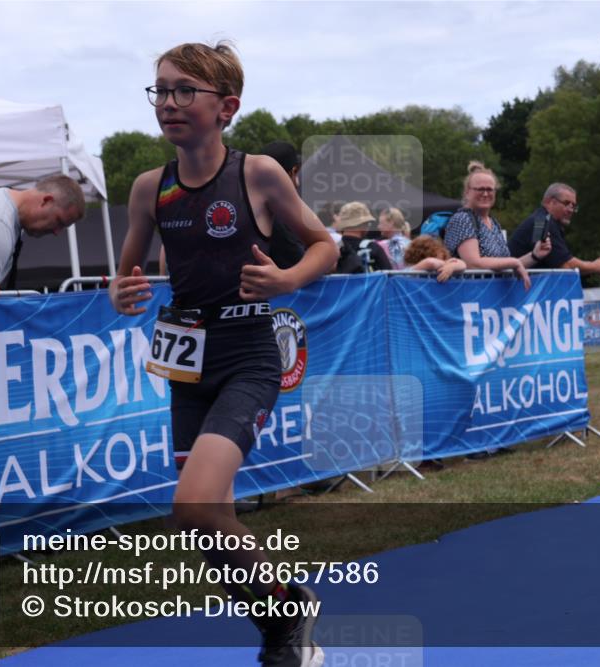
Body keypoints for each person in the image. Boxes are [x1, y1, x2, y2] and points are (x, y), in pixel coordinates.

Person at [108, 41, 337, 667]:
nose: (169, 103)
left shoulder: (256, 172)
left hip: (247, 356)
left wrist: (287, 281)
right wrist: (121, 289)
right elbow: (126, 269)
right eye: (160, 89)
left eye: (186, 91)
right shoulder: (149, 188)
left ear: (226, 106)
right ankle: (279, 625)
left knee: (193, 503)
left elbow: (325, 246)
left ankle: (289, 612)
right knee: (204, 523)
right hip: (186, 363)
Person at [444, 161, 550, 290]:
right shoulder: (462, 219)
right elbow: (473, 264)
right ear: (467, 192)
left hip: (491, 300)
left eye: (489, 189)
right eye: (480, 189)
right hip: (468, 298)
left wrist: (534, 255)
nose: (485, 193)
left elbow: (504, 265)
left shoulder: (494, 223)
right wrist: (513, 262)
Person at [507, 183, 600, 277]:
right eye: (566, 203)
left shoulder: (541, 219)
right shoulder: (544, 223)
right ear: (550, 202)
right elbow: (566, 265)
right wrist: (595, 266)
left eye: (573, 206)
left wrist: (594, 265)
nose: (571, 210)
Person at [258, 141, 306, 269]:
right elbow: (300, 263)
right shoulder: (275, 217)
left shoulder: (245, 204)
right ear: (292, 172)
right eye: (297, 174)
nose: (297, 184)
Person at [333, 201, 393, 273]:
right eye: (368, 224)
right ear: (364, 225)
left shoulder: (333, 249)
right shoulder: (374, 249)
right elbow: (390, 277)